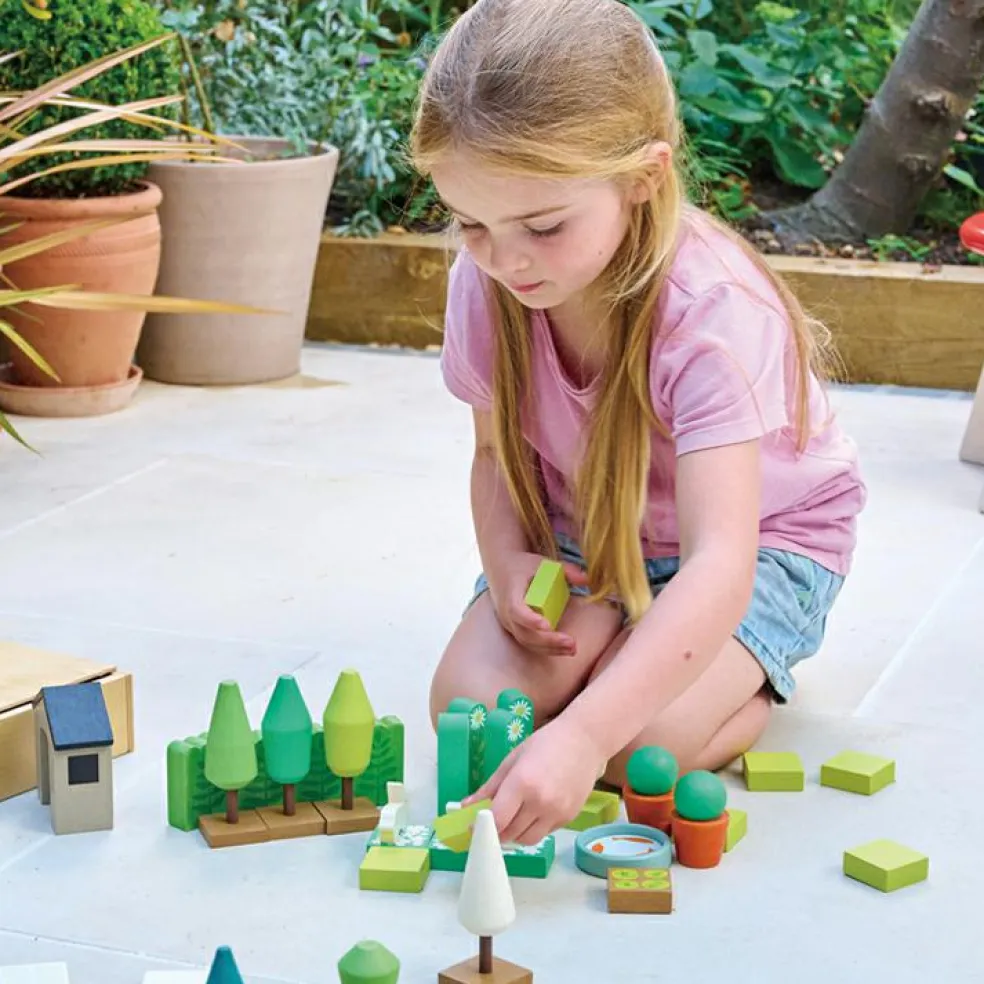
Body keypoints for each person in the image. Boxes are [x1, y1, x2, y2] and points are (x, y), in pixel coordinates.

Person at [410, 0, 866, 847]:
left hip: (762, 545)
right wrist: (507, 560)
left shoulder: (711, 313)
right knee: (470, 713)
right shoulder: (487, 282)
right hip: (587, 529)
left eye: (543, 226)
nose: (506, 260)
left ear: (643, 178)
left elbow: (720, 562)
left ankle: (744, 685)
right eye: (471, 223)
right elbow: (492, 455)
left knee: (637, 751)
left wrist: (583, 734)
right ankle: (622, 640)